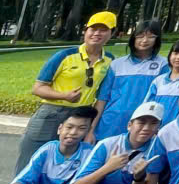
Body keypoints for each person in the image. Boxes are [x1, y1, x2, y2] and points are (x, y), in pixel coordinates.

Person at [14, 11, 116, 172]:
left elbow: (102, 98)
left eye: (103, 30)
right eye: (93, 29)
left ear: (112, 33)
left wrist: (91, 129)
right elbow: (38, 88)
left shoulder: (110, 60)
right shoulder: (65, 55)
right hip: (51, 113)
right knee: (30, 163)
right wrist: (64, 96)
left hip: (81, 116)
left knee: (64, 165)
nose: (97, 33)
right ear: (85, 31)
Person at [93, 19, 164, 140]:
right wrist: (91, 129)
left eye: (151, 37)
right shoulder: (117, 64)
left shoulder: (163, 65)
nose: (144, 40)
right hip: (111, 123)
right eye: (140, 36)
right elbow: (103, 98)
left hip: (142, 125)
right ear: (133, 38)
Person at [143, 39, 179, 124]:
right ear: (170, 56)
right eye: (175, 53)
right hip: (156, 128)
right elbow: (147, 105)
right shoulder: (158, 80)